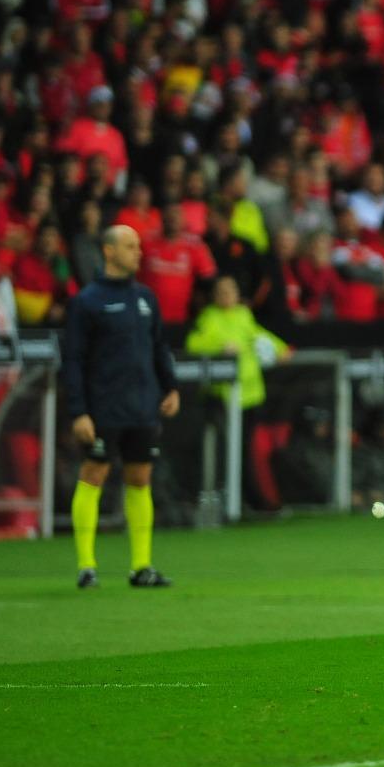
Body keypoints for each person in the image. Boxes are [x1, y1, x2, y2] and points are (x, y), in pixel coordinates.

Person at [60, 225, 180, 589]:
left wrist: (170, 386)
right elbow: (74, 360)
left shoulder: (146, 298)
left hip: (142, 407)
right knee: (94, 474)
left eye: (138, 246)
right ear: (109, 252)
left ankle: (141, 566)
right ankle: (86, 565)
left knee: (140, 478)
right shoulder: (88, 302)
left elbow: (159, 347)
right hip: (103, 408)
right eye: (130, 246)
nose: (138, 252)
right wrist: (79, 410)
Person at [185, 274, 292, 511]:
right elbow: (194, 344)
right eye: (221, 291)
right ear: (214, 295)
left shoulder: (243, 315)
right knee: (226, 449)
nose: (226, 295)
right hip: (223, 395)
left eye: (230, 289)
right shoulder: (209, 317)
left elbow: (259, 336)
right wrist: (220, 348)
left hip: (250, 394)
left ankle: (247, 499)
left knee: (246, 449)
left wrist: (281, 348)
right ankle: (230, 500)